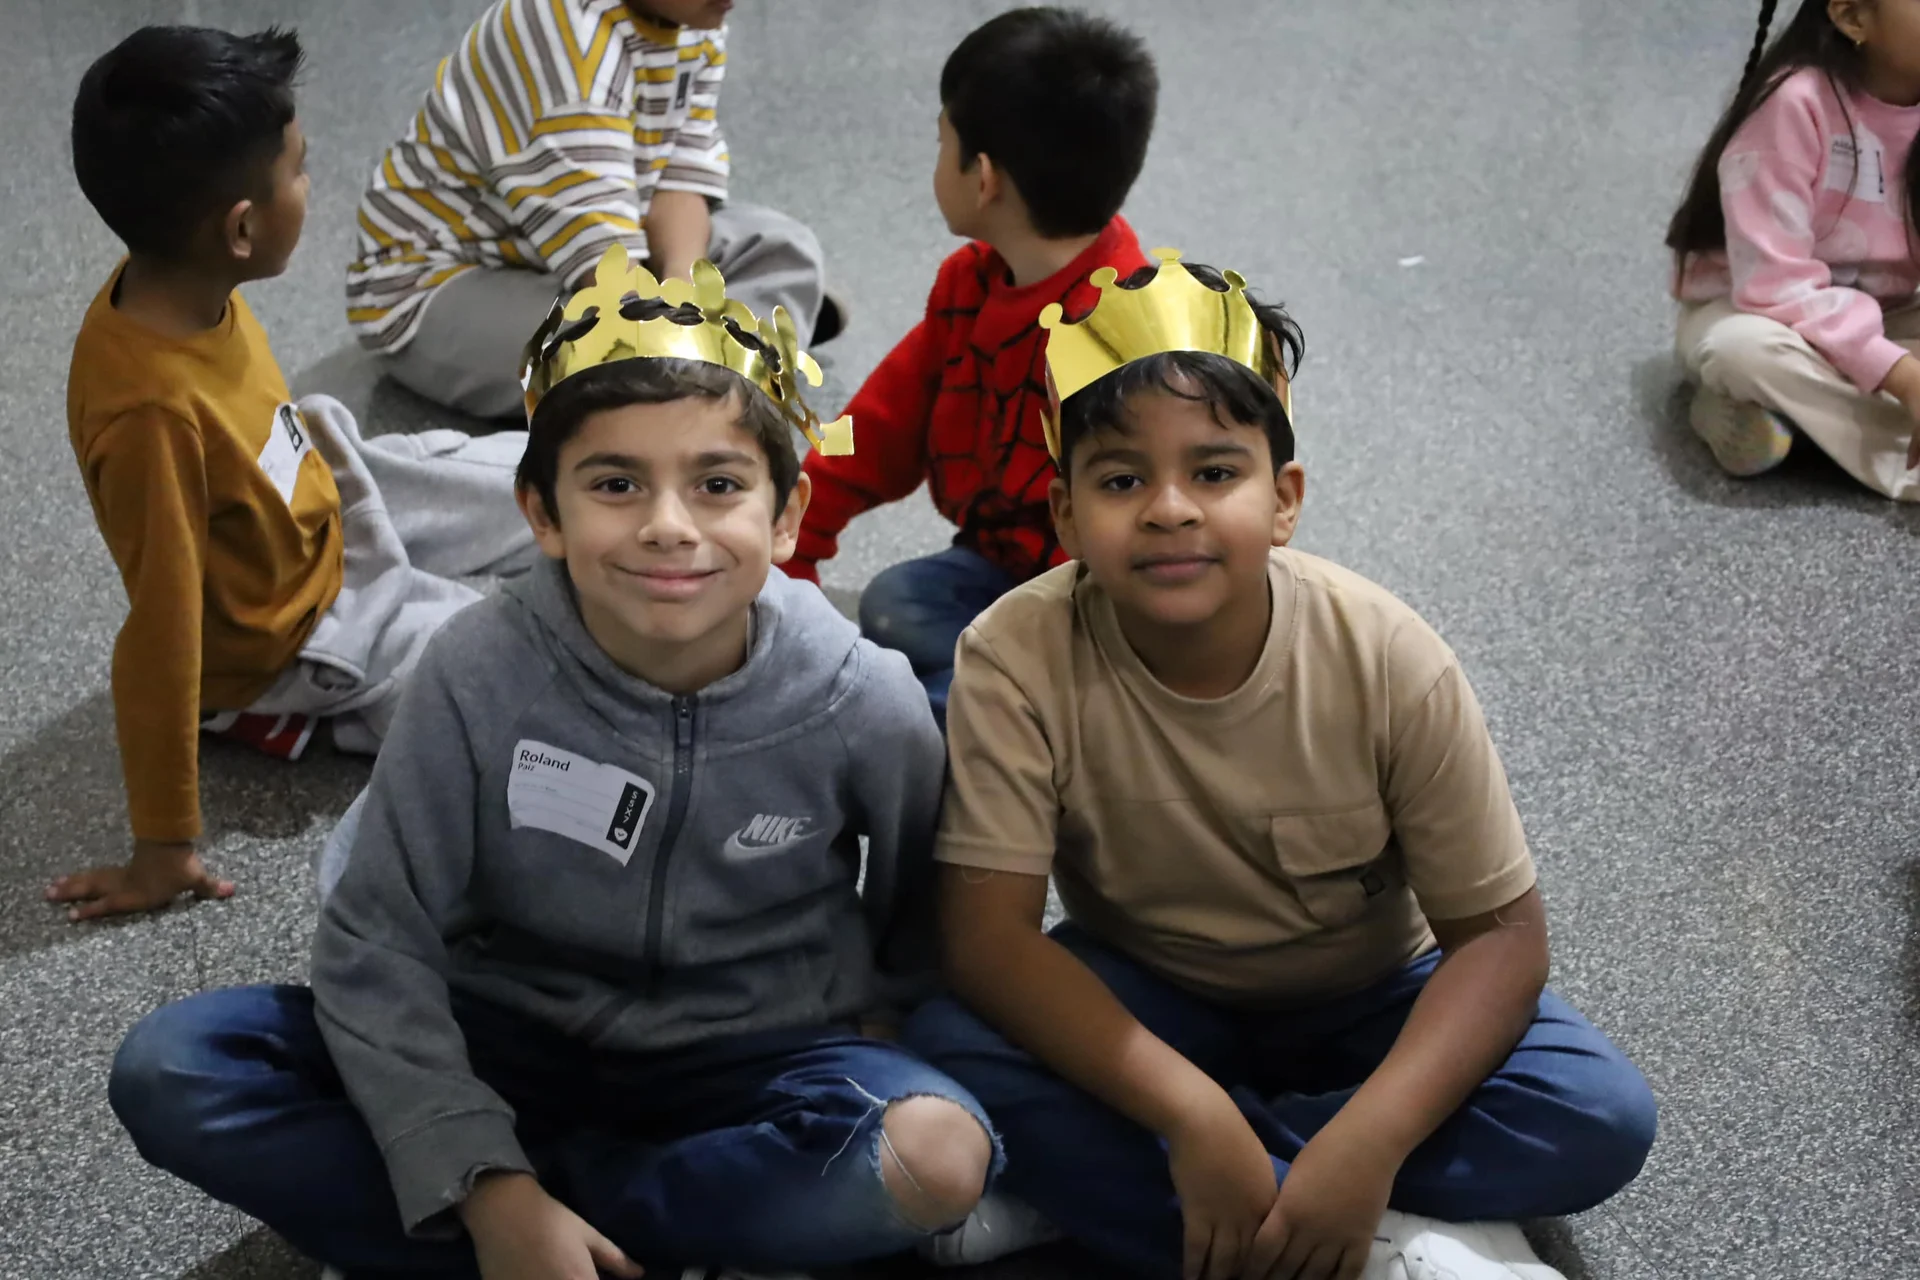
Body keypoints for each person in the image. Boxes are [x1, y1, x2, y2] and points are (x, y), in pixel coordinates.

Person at [109, 250, 997, 1280]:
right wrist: (489, 1176)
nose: (669, 525)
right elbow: (376, 935)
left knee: (939, 1153)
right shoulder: (474, 667)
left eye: (719, 484)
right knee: (176, 1065)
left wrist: (875, 1025)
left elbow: (919, 912)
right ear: (542, 514)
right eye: (616, 484)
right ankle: (543, 1222)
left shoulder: (859, 693)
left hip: (746, 1050)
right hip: (501, 1029)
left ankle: (535, 1236)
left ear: (787, 516)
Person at [903, 254, 1658, 1280]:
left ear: (1284, 496)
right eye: (1123, 479)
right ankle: (1381, 1243)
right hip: (1153, 995)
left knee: (1597, 1114)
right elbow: (990, 941)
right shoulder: (1011, 654)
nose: (1170, 507)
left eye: (1214, 472)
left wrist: (1369, 1141)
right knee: (946, 1033)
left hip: (1374, 994)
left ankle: (1149, 1194)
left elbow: (1502, 940)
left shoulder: (1388, 653)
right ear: (1068, 514)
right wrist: (1187, 1106)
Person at [55, 25, 533, 923]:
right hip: (291, 632)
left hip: (306, 490)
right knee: (503, 665)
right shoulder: (150, 413)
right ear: (241, 227)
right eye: (301, 171)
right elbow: (160, 633)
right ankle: (276, 714)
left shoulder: (177, 278)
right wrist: (163, 846)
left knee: (541, 478)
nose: (312, 186)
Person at [781, 6, 1155, 727]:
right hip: (1000, 575)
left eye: (940, 140)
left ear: (982, 179)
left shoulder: (1125, 336)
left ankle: (987, 719)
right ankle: (976, 705)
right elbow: (877, 425)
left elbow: (1132, 556)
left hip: (1102, 618)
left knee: (946, 696)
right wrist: (793, 540)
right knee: (894, 603)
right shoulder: (972, 283)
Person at [347, 0, 836, 421]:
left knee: (785, 247)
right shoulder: (566, 42)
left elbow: (679, 174)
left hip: (587, 238)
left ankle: (704, 377)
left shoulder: (694, 15)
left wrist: (686, 290)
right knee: (613, 353)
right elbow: (604, 267)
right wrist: (668, 329)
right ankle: (720, 376)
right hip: (437, 288)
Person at [1672, 0, 1920, 497]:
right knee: (1742, 352)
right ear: (1853, 18)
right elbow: (1773, 286)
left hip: (1886, 311)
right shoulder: (1793, 103)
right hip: (1759, 311)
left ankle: (1783, 421)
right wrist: (1902, 375)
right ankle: (1895, 446)